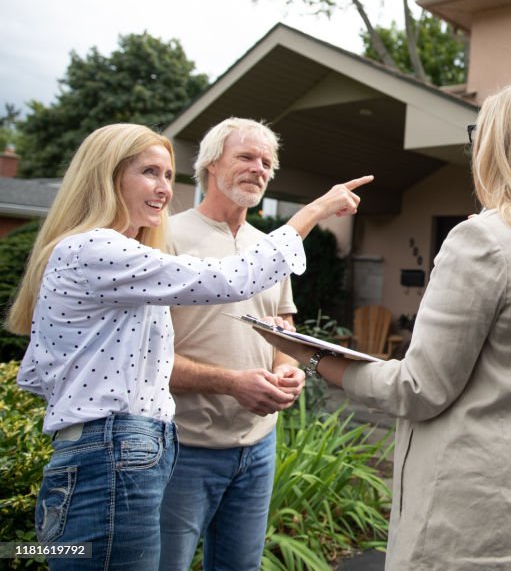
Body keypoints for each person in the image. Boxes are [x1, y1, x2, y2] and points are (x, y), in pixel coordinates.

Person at [261, 80, 511, 570]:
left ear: (500, 144)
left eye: (478, 134)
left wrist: (312, 355)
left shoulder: (483, 241)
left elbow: (417, 389)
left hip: (467, 519)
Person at [6, 123, 371, 570]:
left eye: (166, 175)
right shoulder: (97, 248)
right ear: (107, 175)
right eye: (149, 173)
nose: (163, 188)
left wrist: (284, 357)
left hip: (125, 449)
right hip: (118, 452)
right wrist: (314, 210)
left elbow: (44, 372)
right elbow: (230, 279)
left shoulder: (113, 250)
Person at [158, 118, 302, 570]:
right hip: (182, 447)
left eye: (267, 163)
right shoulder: (163, 236)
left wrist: (288, 368)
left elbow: (283, 330)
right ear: (209, 163)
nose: (259, 169)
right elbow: (141, 359)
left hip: (258, 447)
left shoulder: (269, 247)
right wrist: (230, 382)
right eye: (246, 156)